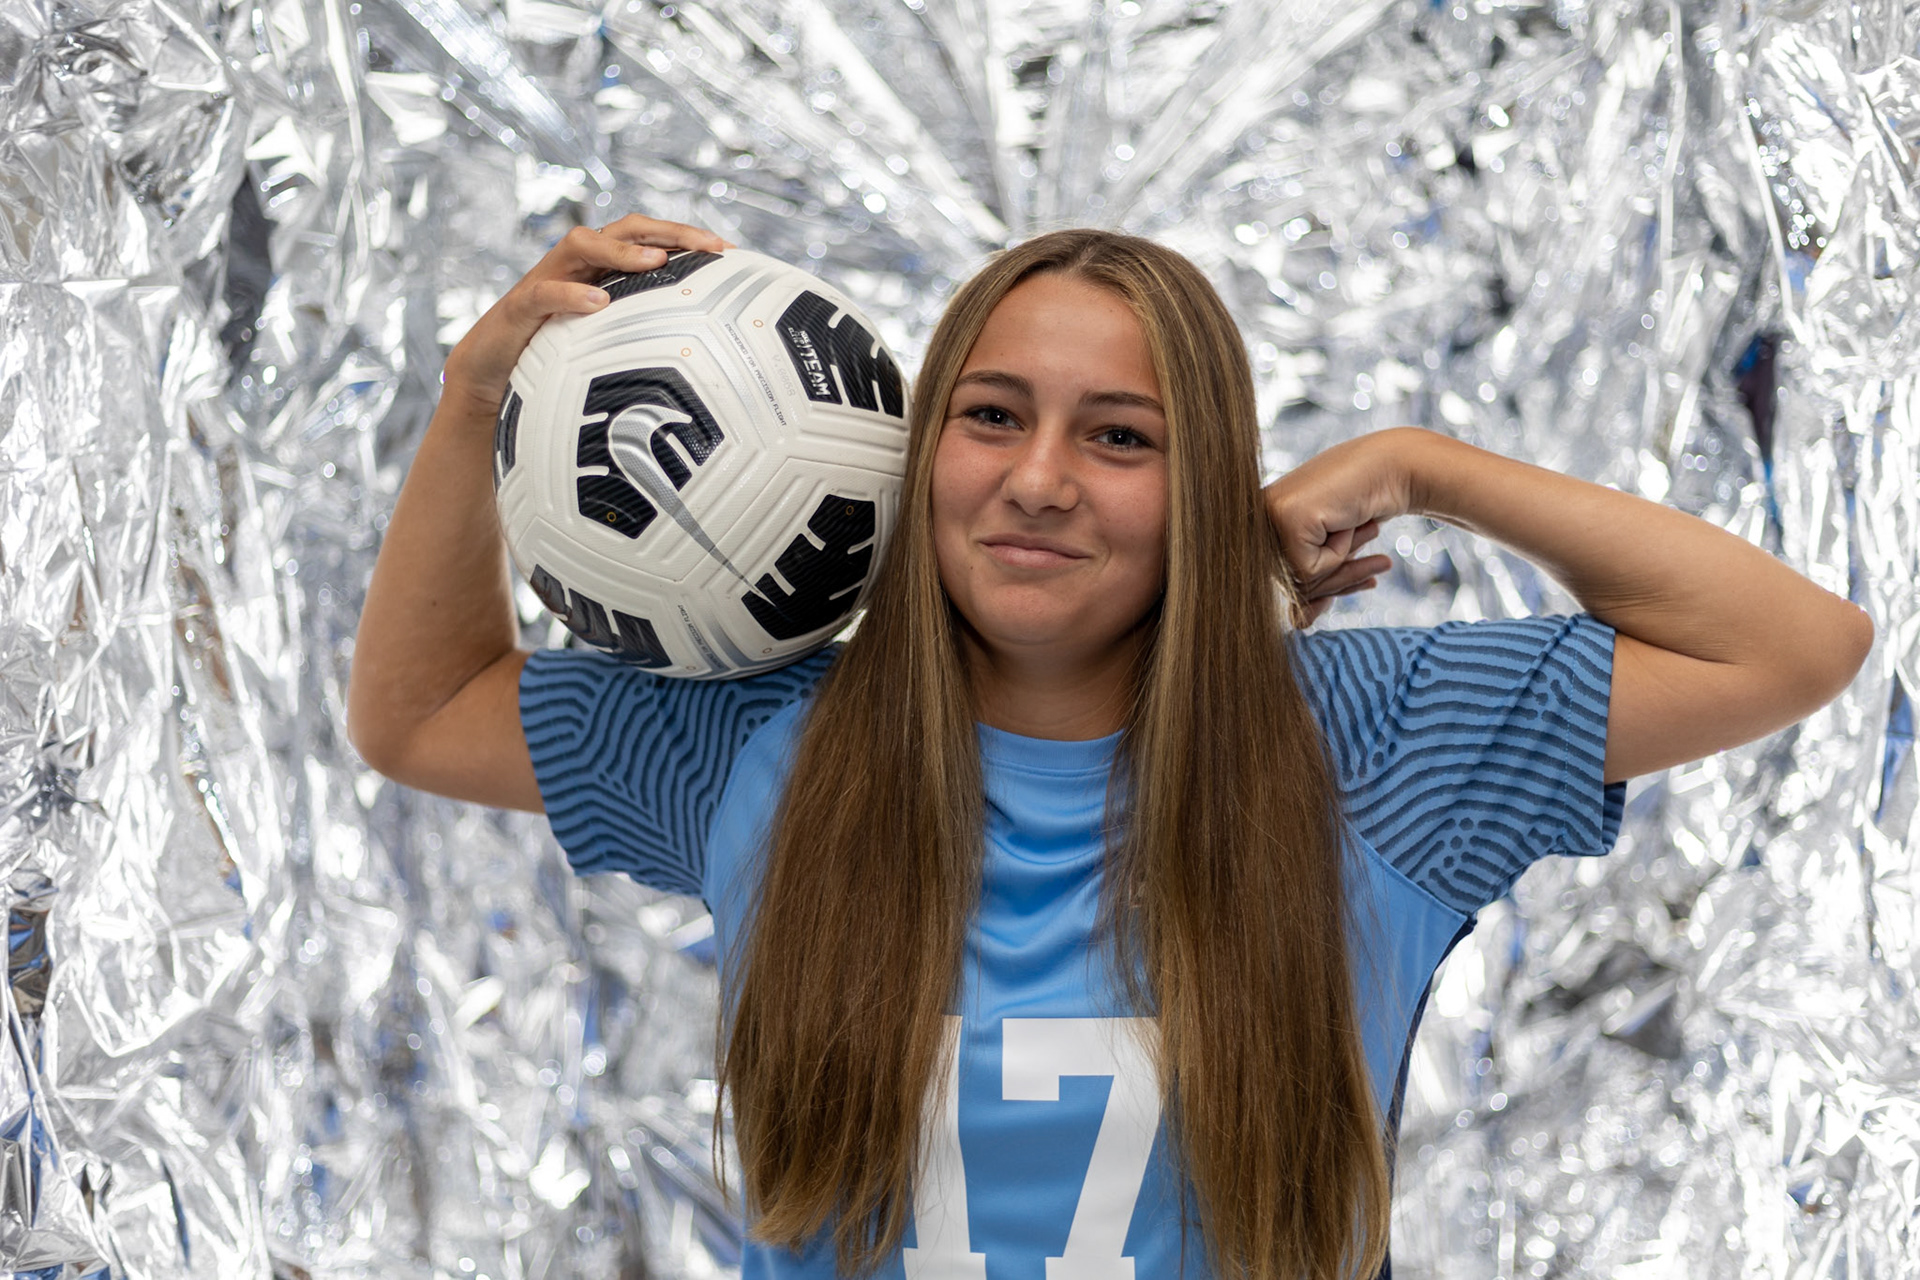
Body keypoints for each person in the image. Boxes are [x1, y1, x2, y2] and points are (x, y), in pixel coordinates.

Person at [347, 215, 1872, 1280]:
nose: (1041, 483)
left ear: (1208, 481)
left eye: (1123, 437)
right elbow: (415, 713)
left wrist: (1424, 468)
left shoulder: (1373, 739)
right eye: (993, 416)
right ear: (910, 449)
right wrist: (482, 390)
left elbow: (1794, 647)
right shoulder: (762, 742)